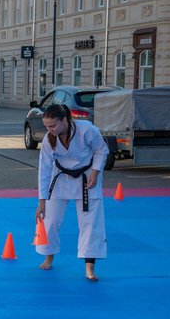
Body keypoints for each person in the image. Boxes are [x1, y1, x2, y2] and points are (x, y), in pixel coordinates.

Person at [35, 104, 109, 282]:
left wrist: (95, 172)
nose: (49, 130)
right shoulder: (48, 139)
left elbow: (102, 150)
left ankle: (89, 267)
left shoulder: (87, 130)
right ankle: (49, 256)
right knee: (50, 220)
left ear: (64, 120)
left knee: (91, 223)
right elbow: (44, 170)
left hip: (87, 178)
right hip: (60, 179)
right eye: (46, 126)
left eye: (52, 125)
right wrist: (42, 200)